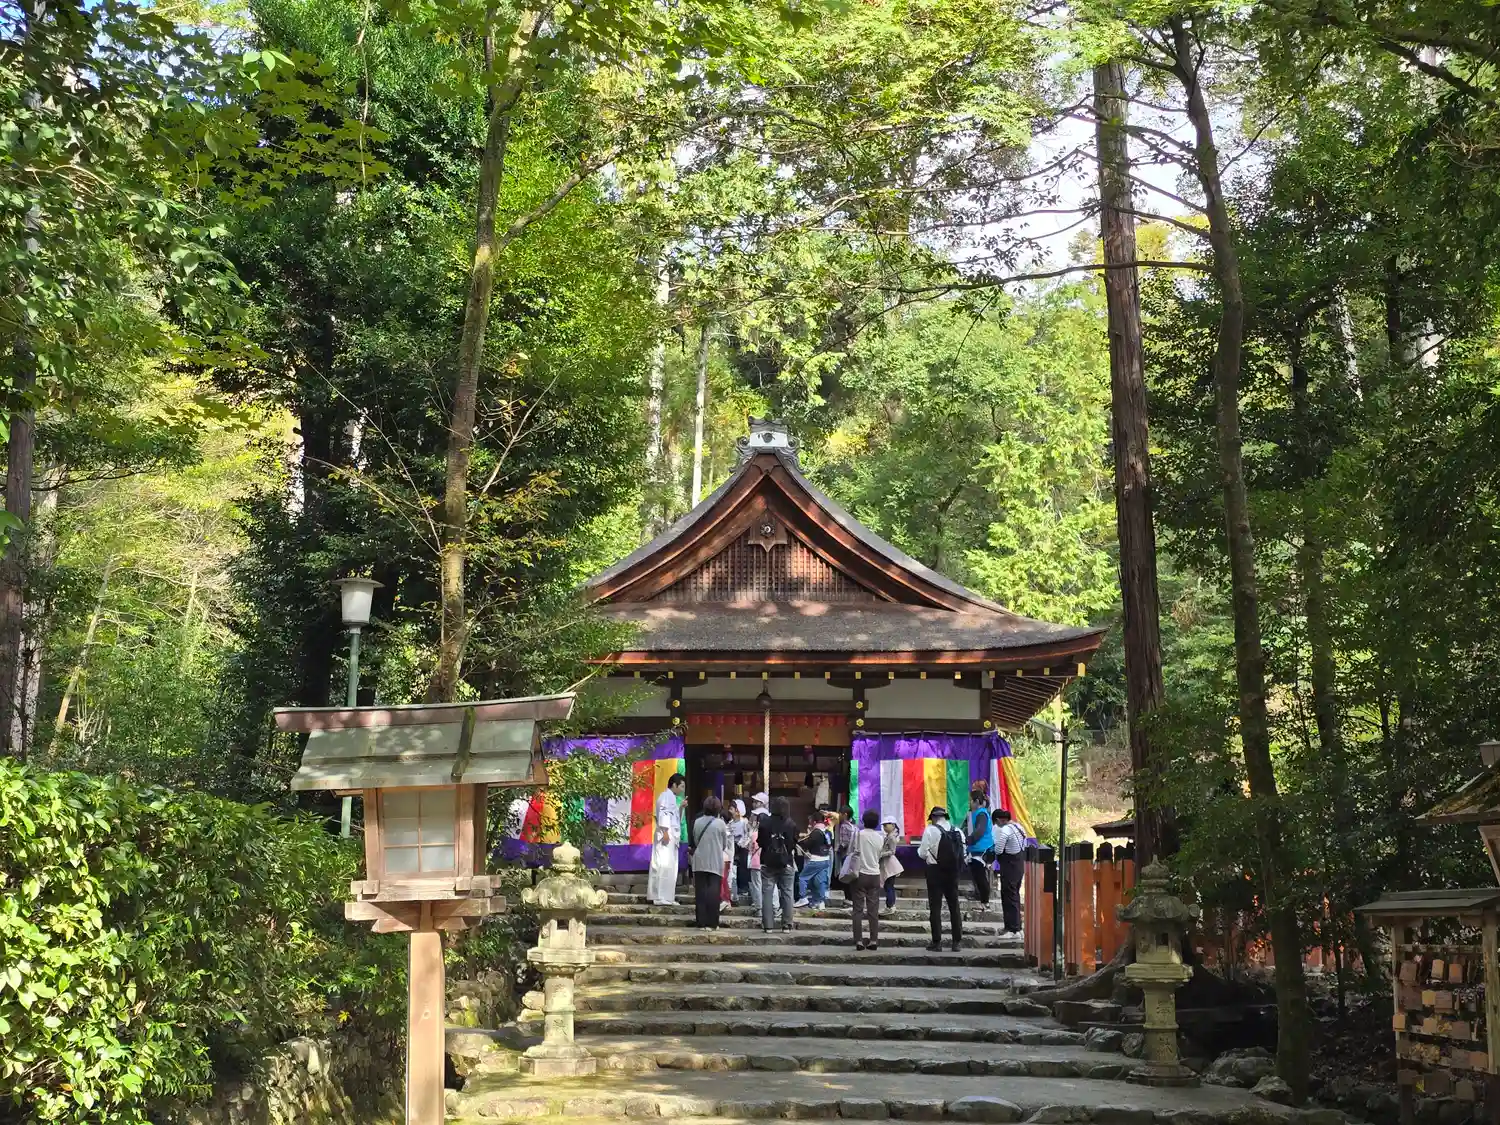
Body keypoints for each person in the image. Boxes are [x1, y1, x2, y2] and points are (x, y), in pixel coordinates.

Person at [918, 805, 964, 951]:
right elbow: (963, 852)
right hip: (953, 872)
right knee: (954, 906)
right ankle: (956, 942)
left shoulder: (930, 830)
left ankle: (937, 942)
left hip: (935, 871)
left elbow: (922, 853)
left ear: (933, 818)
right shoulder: (957, 831)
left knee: (935, 907)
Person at [757, 795, 798, 932]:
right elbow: (793, 843)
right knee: (787, 892)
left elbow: (760, 842)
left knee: (767, 893)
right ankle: (787, 924)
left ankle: (768, 925)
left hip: (767, 862)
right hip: (786, 862)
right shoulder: (791, 824)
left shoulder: (765, 823)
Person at [689, 795, 729, 930]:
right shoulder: (720, 823)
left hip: (699, 860)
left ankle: (701, 922)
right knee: (713, 892)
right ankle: (712, 923)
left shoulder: (697, 822)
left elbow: (695, 840)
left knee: (700, 892)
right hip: (715, 860)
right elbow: (724, 844)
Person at [647, 773, 686, 906]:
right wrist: (664, 831)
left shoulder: (672, 798)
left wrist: (681, 807)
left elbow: (674, 818)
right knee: (663, 864)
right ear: (674, 785)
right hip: (666, 835)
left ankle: (667, 897)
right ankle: (659, 896)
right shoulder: (666, 796)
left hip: (671, 836)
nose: (682, 789)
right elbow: (663, 813)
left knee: (670, 866)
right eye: (681, 786)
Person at [851, 808, 886, 950]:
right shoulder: (880, 837)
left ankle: (858, 940)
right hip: (874, 874)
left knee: (857, 910)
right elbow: (880, 855)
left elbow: (852, 852)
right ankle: (873, 940)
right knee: (873, 910)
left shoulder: (858, 835)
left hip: (860, 874)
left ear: (863, 821)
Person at [993, 808, 1026, 934]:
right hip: (1019, 865)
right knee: (1015, 895)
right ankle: (1016, 926)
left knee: (1008, 897)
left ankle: (1012, 929)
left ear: (998, 820)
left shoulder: (1006, 830)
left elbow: (998, 850)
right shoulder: (1019, 827)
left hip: (1009, 866)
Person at [965, 788, 996, 909]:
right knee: (976, 875)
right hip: (975, 848)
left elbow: (979, 831)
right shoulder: (973, 814)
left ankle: (985, 901)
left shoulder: (982, 814)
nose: (969, 803)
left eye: (970, 801)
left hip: (982, 849)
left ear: (976, 801)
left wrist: (968, 840)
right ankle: (979, 896)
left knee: (980, 876)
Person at [796, 812, 834, 909]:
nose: (809, 823)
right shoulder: (827, 831)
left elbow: (808, 844)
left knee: (802, 878)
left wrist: (800, 841)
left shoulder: (816, 832)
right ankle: (820, 902)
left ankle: (803, 897)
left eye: (810, 821)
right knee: (820, 881)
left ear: (814, 822)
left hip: (816, 860)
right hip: (826, 859)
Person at [747, 792, 769, 911]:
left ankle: (759, 905)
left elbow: (751, 845)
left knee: (757, 882)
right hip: (765, 859)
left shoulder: (756, 833)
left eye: (756, 802)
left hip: (756, 859)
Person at [728, 798, 751, 905]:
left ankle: (744, 888)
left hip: (743, 848)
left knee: (743, 869)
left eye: (732, 808)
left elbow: (748, 834)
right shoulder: (730, 823)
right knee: (733, 869)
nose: (730, 811)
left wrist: (742, 843)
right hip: (733, 848)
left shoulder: (744, 822)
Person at [834, 804, 857, 901]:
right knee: (852, 876)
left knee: (845, 876)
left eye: (840, 813)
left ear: (845, 814)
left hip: (846, 855)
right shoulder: (854, 826)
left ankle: (848, 898)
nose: (839, 815)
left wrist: (838, 850)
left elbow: (844, 843)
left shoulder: (844, 826)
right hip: (854, 855)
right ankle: (853, 898)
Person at [880, 819, 904, 912]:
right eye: (884, 826)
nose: (884, 827)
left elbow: (892, 851)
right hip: (887, 863)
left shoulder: (891, 837)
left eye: (886, 825)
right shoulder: (889, 836)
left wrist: (881, 854)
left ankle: (890, 905)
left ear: (893, 825)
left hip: (890, 864)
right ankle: (890, 905)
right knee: (888, 886)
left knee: (889, 886)